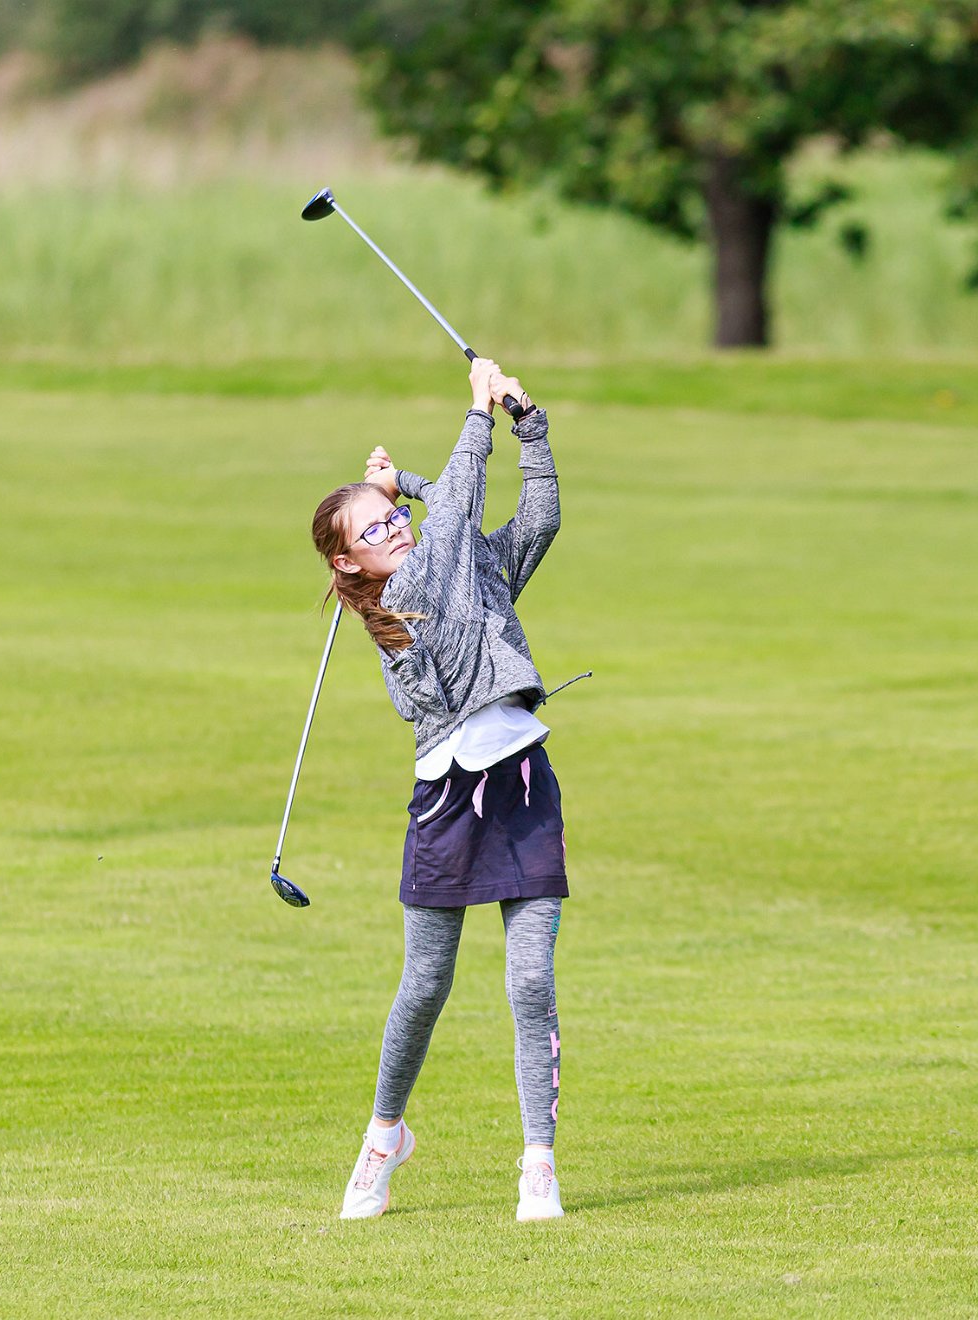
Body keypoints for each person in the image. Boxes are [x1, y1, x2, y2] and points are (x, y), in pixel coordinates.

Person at [308, 357, 569, 1223]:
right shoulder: (412, 590)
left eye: (396, 520)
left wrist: (528, 431)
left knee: (530, 984)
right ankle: (383, 1139)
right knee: (426, 983)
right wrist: (473, 412)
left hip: (524, 782)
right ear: (352, 563)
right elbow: (451, 513)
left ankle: (538, 1163)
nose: (398, 531)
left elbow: (535, 523)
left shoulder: (453, 562)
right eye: (377, 530)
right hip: (448, 807)